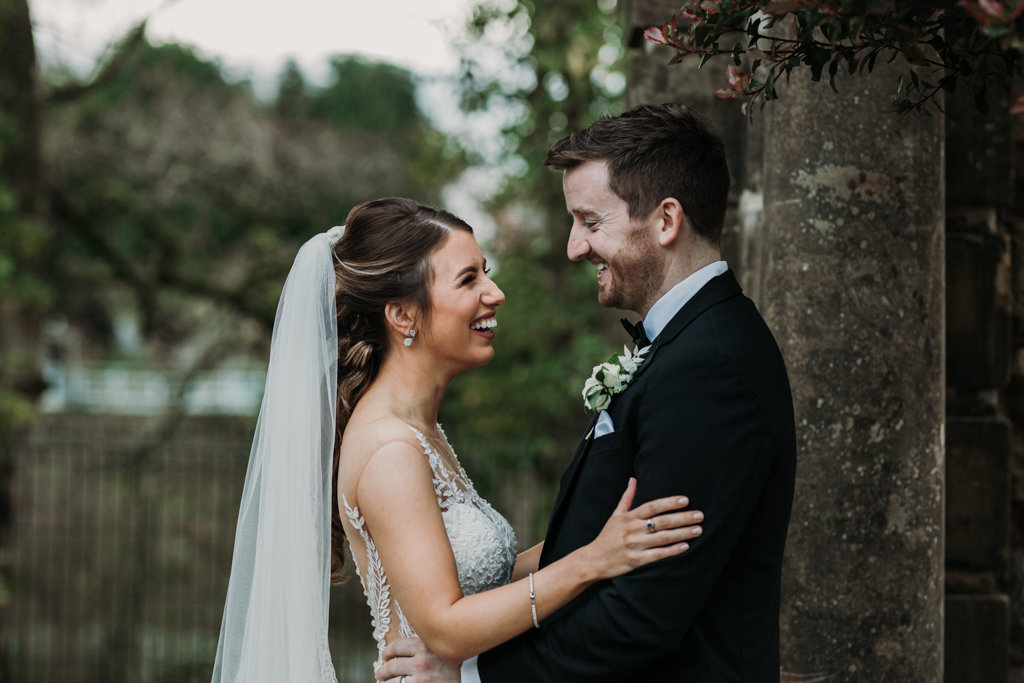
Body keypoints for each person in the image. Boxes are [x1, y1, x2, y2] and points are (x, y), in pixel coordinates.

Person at [376, 103, 797, 682]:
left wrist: (475, 676)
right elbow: (601, 546)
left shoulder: (711, 367)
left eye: (591, 223)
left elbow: (644, 613)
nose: (575, 247)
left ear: (666, 220)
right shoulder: (687, 347)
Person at [210, 197, 706, 683]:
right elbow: (446, 628)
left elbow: (480, 577)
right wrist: (592, 562)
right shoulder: (390, 450)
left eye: (485, 271)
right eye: (469, 279)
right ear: (403, 315)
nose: (495, 292)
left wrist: (601, 528)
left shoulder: (420, 430)